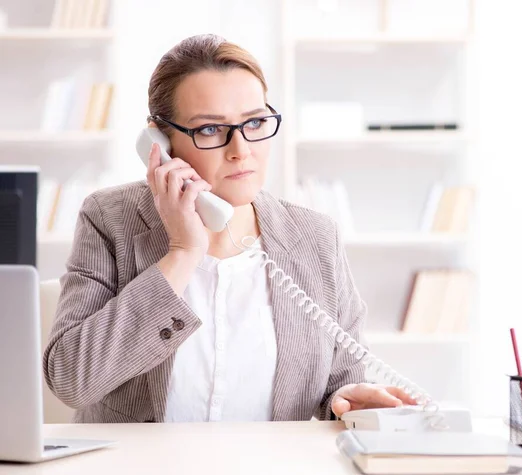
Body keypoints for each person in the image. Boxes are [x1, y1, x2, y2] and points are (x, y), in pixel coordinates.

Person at [43, 34, 416, 423]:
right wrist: (182, 253)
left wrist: (344, 399)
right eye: (209, 130)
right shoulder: (109, 218)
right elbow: (72, 380)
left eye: (255, 122)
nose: (241, 149)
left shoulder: (316, 238)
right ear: (159, 142)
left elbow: (339, 383)